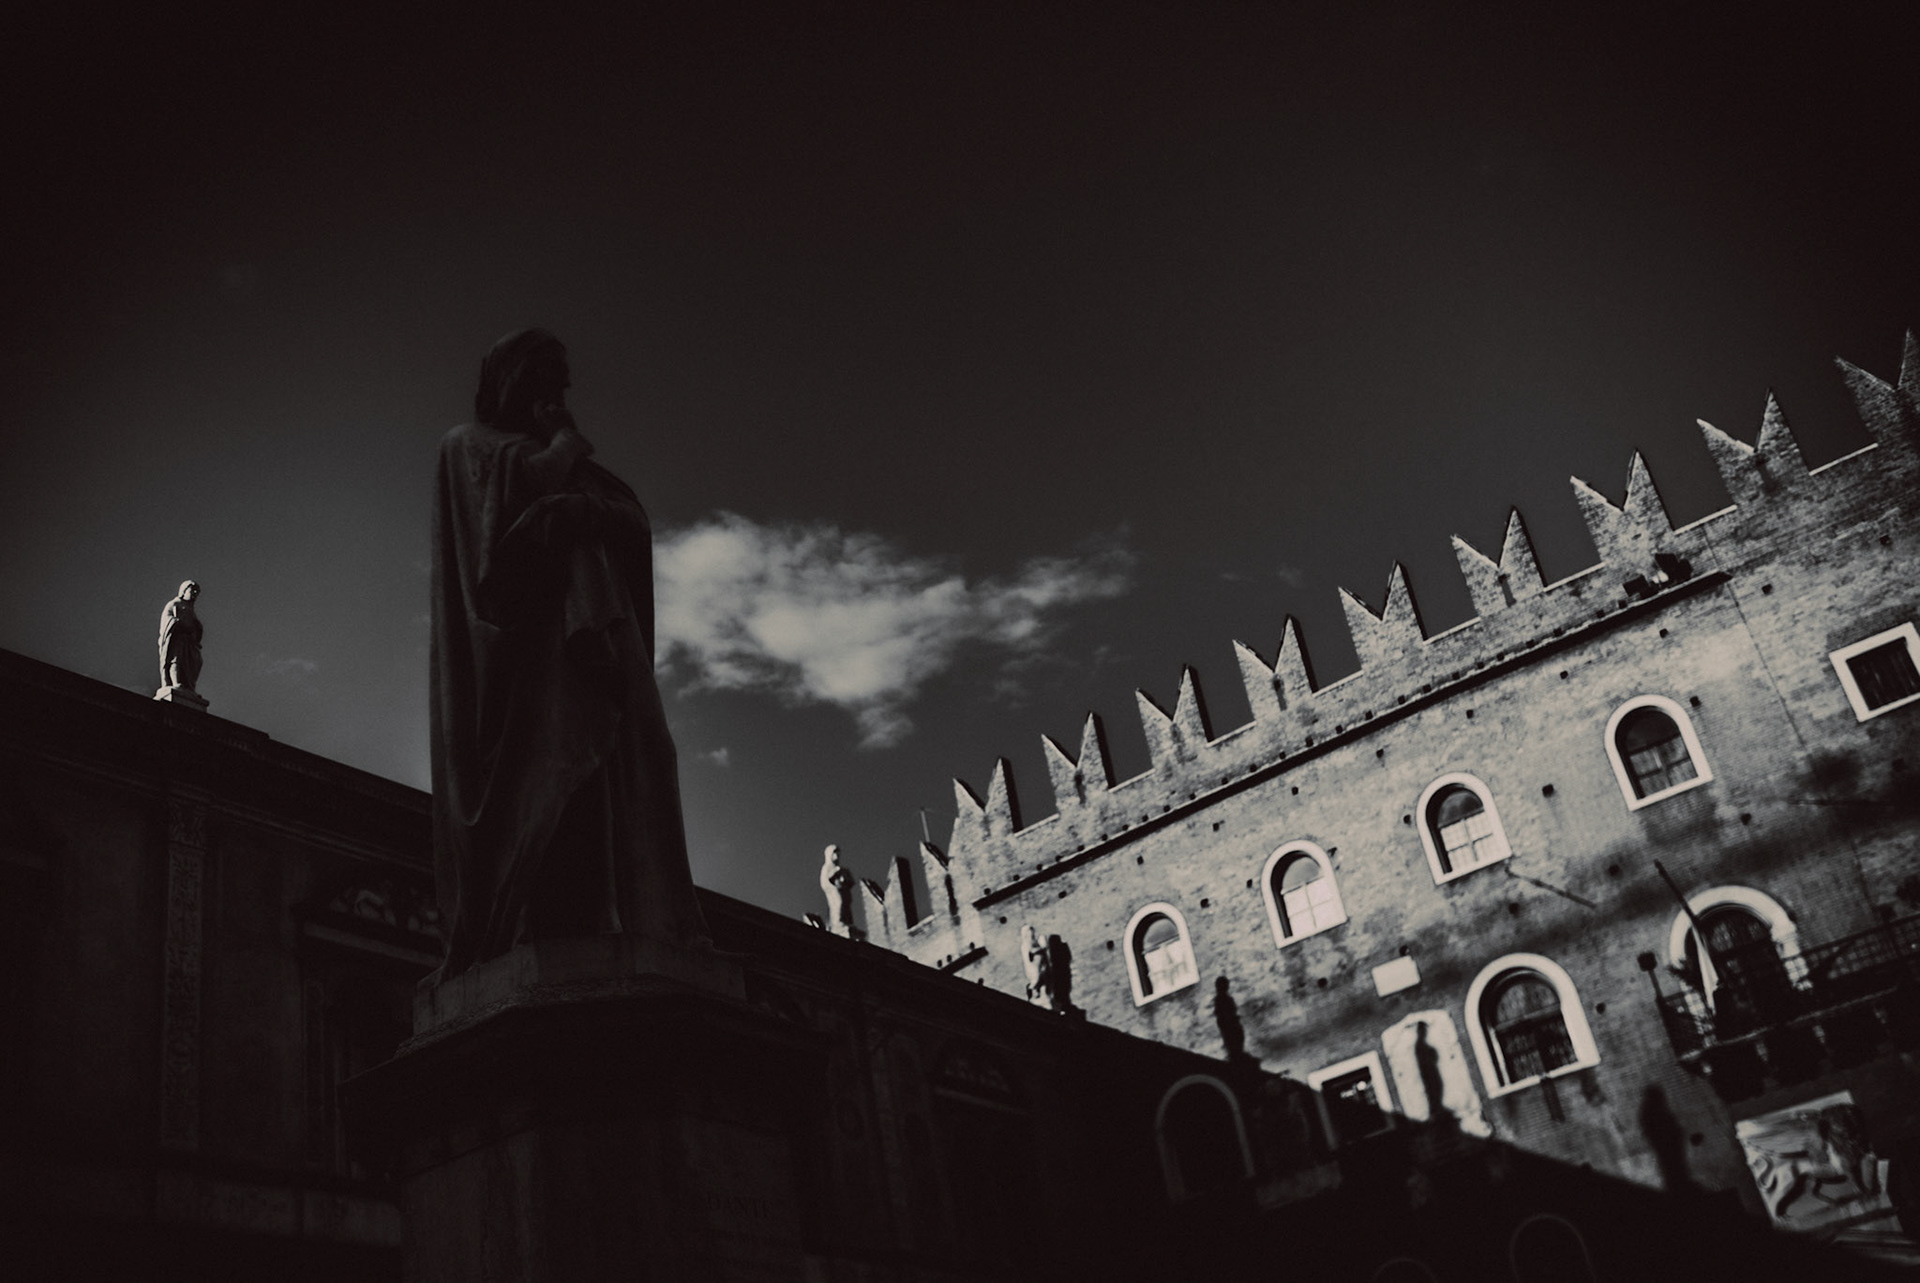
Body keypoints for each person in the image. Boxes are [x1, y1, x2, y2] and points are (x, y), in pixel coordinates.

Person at [429, 328, 708, 980]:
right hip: (530, 665)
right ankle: (543, 922)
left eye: (561, 384)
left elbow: (629, 518)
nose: (557, 396)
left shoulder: (564, 460)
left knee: (638, 761)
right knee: (556, 788)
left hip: (599, 652)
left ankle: (637, 919)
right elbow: (502, 531)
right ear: (511, 384)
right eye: (544, 382)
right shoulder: (466, 447)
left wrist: (579, 503)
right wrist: (565, 450)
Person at [158, 580, 203, 692]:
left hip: (189, 642)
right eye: (192, 590)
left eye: (196, 592)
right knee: (176, 659)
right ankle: (176, 682)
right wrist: (177, 622)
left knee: (195, 663)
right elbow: (166, 619)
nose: (194, 593)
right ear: (183, 591)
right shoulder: (174, 604)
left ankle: (189, 686)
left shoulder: (191, 610)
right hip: (178, 638)